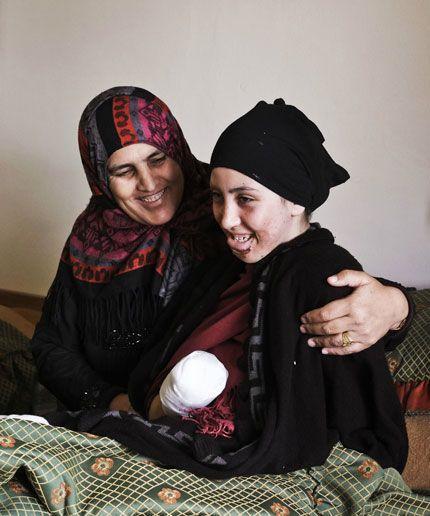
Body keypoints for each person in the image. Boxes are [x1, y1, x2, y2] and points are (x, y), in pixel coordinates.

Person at [76, 99, 408, 478]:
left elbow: (358, 415)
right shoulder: (225, 263)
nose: (227, 219)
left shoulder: (323, 275)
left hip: (238, 454)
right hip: (150, 416)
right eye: (217, 197)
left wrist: (397, 306)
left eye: (245, 199)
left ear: (296, 199)